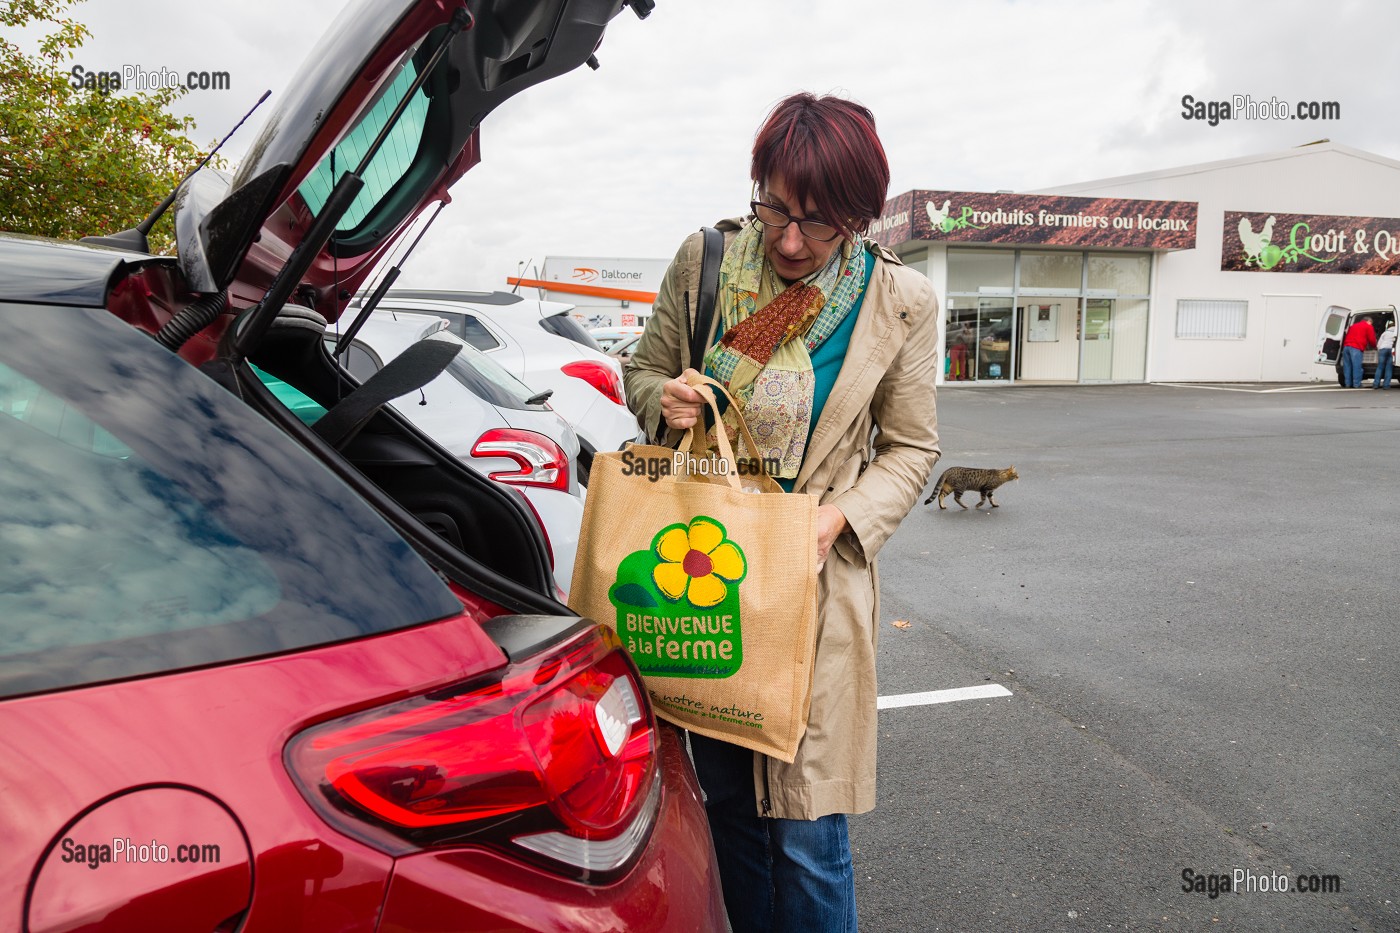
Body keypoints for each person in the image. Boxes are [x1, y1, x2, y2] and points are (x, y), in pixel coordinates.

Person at [623, 92, 941, 933]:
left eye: (819, 223)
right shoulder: (705, 262)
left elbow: (912, 449)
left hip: (812, 591)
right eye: (775, 209)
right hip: (707, 580)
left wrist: (838, 520)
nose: (790, 240)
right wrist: (670, 396)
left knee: (806, 833)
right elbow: (643, 372)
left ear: (860, 217)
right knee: (729, 809)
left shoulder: (899, 302)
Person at [1342, 316, 1376, 388]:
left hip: (1346, 347)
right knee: (1356, 367)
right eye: (1371, 323)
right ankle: (1356, 384)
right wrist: (1374, 346)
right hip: (1356, 347)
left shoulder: (1353, 326)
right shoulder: (1368, 326)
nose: (1371, 324)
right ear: (1369, 321)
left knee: (1347, 367)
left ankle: (1348, 384)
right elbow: (1372, 339)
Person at [1374, 319, 1396, 389]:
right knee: (1389, 368)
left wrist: (1379, 350)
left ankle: (1376, 384)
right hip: (1392, 350)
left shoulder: (1385, 333)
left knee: (1380, 367)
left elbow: (1379, 344)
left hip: (1383, 349)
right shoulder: (1397, 333)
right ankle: (1386, 385)